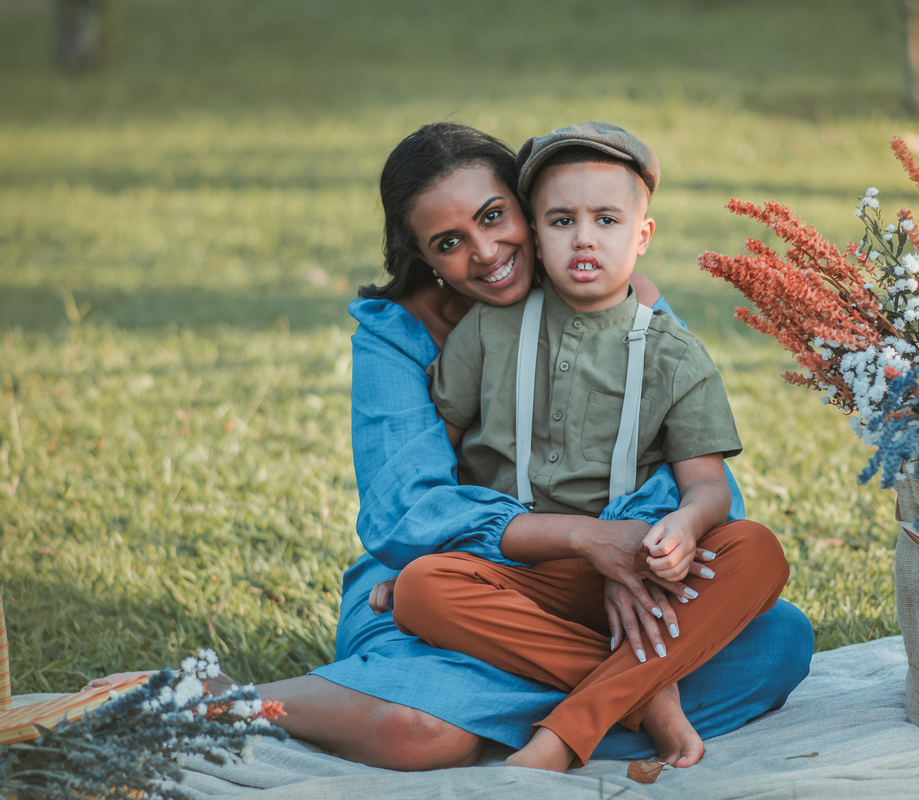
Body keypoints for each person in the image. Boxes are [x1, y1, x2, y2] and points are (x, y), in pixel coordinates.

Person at [89, 122, 815, 771]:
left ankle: (554, 711)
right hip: (458, 581)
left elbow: (706, 490)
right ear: (426, 257)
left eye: (496, 217)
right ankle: (232, 701)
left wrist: (634, 555)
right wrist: (579, 540)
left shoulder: (623, 301)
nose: (488, 253)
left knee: (777, 640)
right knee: (416, 733)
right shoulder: (395, 338)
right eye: (450, 242)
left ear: (529, 211)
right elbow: (405, 515)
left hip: (606, 584)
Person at [395, 121, 790, 772]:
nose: (584, 237)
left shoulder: (673, 353)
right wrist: (425, 549)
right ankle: (648, 697)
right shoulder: (488, 331)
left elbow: (708, 487)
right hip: (520, 574)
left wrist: (684, 529)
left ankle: (560, 736)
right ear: (536, 238)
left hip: (636, 568)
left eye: (606, 220)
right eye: (560, 221)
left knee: (757, 552)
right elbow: (439, 457)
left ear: (642, 236)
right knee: (421, 589)